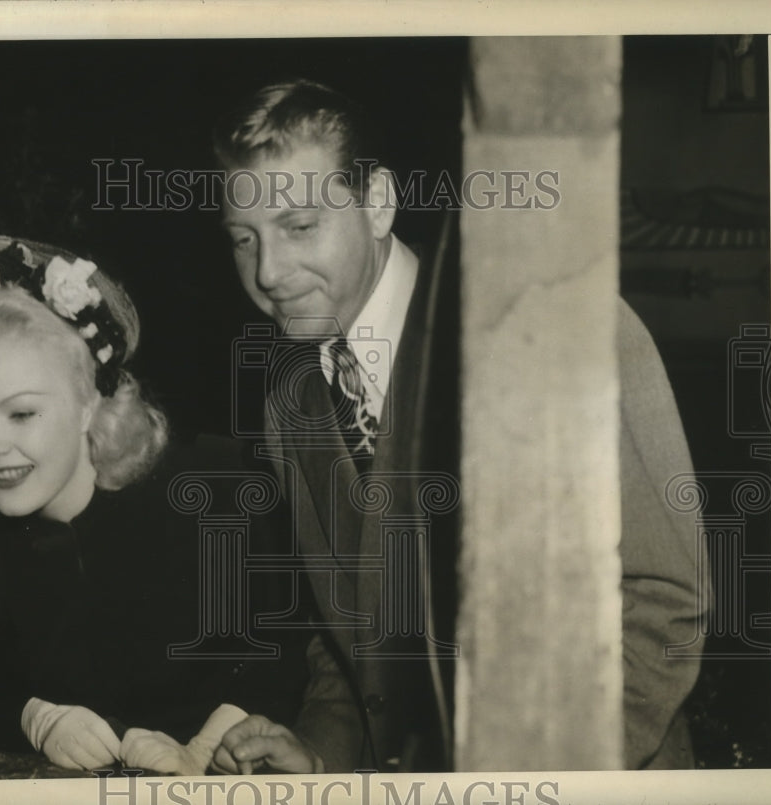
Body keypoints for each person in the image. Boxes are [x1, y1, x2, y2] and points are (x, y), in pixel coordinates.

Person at [209, 79, 706, 773]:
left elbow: (662, 609)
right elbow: (347, 638)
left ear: (377, 204)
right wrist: (321, 749)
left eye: (299, 227)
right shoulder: (292, 401)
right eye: (243, 239)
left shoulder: (551, 322)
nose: (269, 270)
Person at [0, 234, 304, 773]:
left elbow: (288, 655)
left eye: (21, 414)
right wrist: (30, 717)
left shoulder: (221, 491)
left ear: (92, 402)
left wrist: (218, 741)